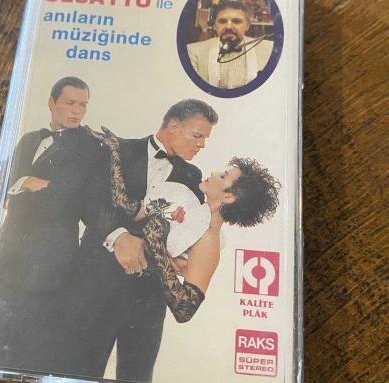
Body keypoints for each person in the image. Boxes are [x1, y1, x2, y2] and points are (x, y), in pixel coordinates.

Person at [58, 99, 218, 383]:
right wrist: (118, 236)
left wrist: (180, 257)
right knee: (77, 376)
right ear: (173, 126)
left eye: (205, 138)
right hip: (95, 286)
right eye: (197, 135)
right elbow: (91, 200)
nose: (202, 145)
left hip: (149, 299)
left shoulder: (193, 176)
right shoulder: (115, 149)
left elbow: (182, 229)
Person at [97, 129, 280, 324]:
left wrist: (157, 245)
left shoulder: (209, 239)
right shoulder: (187, 202)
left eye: (223, 176)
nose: (214, 173)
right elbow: (125, 205)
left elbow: (184, 310)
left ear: (228, 197)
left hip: (138, 306)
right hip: (106, 281)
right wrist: (115, 152)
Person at [0, 76, 104, 371]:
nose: (77, 111)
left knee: (36, 356)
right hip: (12, 257)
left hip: (51, 264)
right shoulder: (29, 140)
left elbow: (62, 200)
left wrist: (20, 187)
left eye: (83, 104)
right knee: (3, 353)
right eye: (70, 103)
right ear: (52, 103)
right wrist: (27, 182)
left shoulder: (90, 147)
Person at [187, 0, 273, 89]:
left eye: (236, 21)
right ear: (215, 26)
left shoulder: (268, 49)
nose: (228, 26)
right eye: (222, 21)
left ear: (247, 25)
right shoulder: (194, 51)